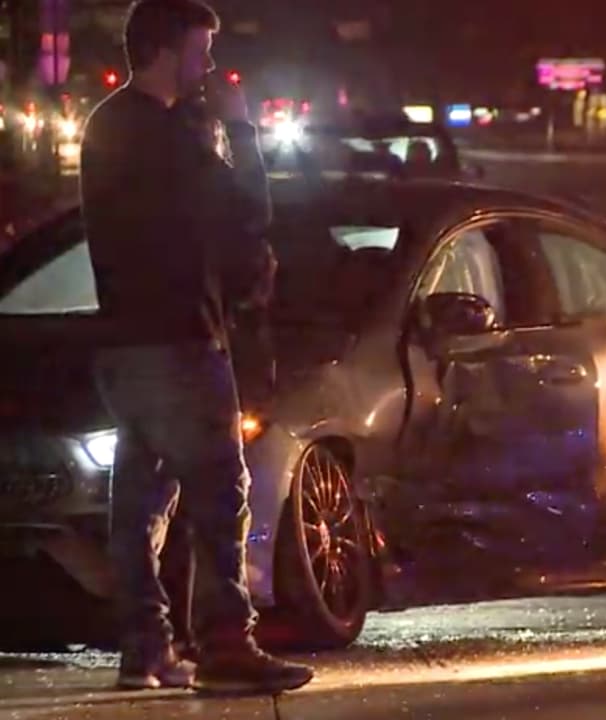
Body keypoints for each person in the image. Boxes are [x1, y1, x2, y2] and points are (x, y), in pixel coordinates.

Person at [79, 0, 310, 693]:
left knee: (141, 503)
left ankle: (145, 647)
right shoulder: (172, 136)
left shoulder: (106, 126)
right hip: (181, 339)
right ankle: (225, 645)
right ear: (163, 49)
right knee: (219, 494)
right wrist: (241, 129)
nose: (209, 65)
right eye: (200, 49)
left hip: (124, 342)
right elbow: (246, 212)